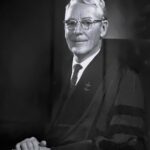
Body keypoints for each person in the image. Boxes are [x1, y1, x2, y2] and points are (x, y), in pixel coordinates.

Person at [15, 0, 146, 149]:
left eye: (87, 23)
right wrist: (31, 144)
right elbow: (44, 135)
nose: (77, 30)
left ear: (103, 28)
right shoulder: (55, 77)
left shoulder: (126, 78)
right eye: (71, 23)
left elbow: (127, 145)